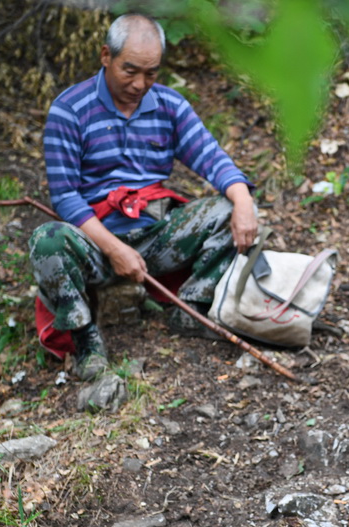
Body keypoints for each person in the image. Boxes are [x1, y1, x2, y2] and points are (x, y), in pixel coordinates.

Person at [29, 13, 258, 380]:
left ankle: (191, 305)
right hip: (95, 241)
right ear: (106, 56)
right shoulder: (69, 110)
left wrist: (244, 201)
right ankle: (85, 338)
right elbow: (66, 196)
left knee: (232, 206)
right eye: (130, 71)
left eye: (151, 74)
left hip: (155, 237)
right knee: (47, 240)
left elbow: (212, 158)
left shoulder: (169, 106)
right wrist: (113, 249)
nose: (139, 84)